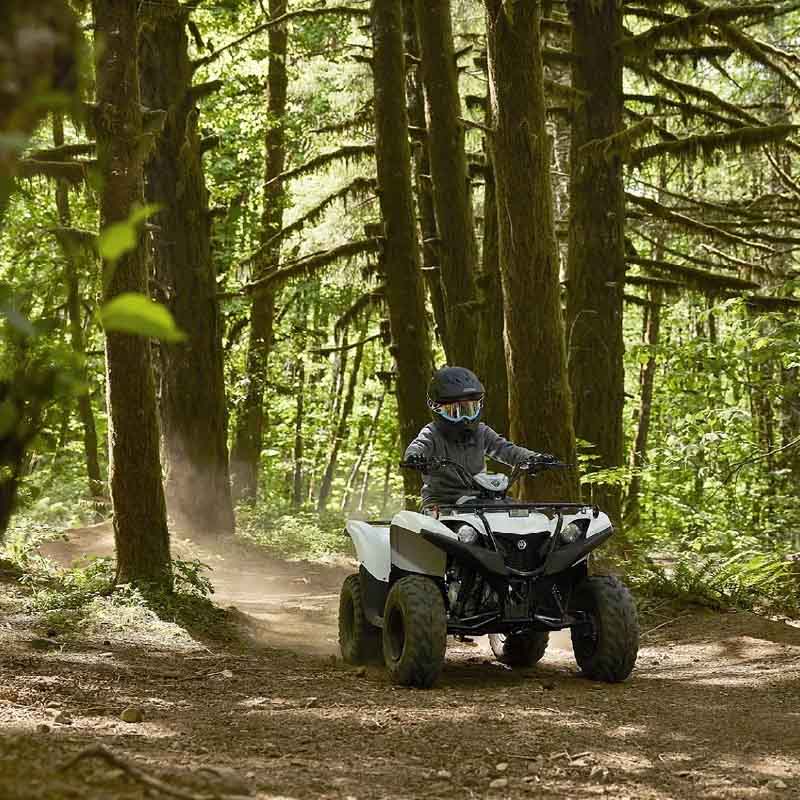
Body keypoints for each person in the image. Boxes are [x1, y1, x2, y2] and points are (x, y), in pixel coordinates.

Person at [404, 366, 557, 508]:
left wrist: (534, 458)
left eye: (470, 409)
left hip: (479, 497)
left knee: (517, 512)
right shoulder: (432, 433)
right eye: (455, 411)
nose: (465, 418)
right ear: (436, 408)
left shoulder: (481, 431)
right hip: (441, 501)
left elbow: (506, 449)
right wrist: (414, 457)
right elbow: (418, 446)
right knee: (437, 525)